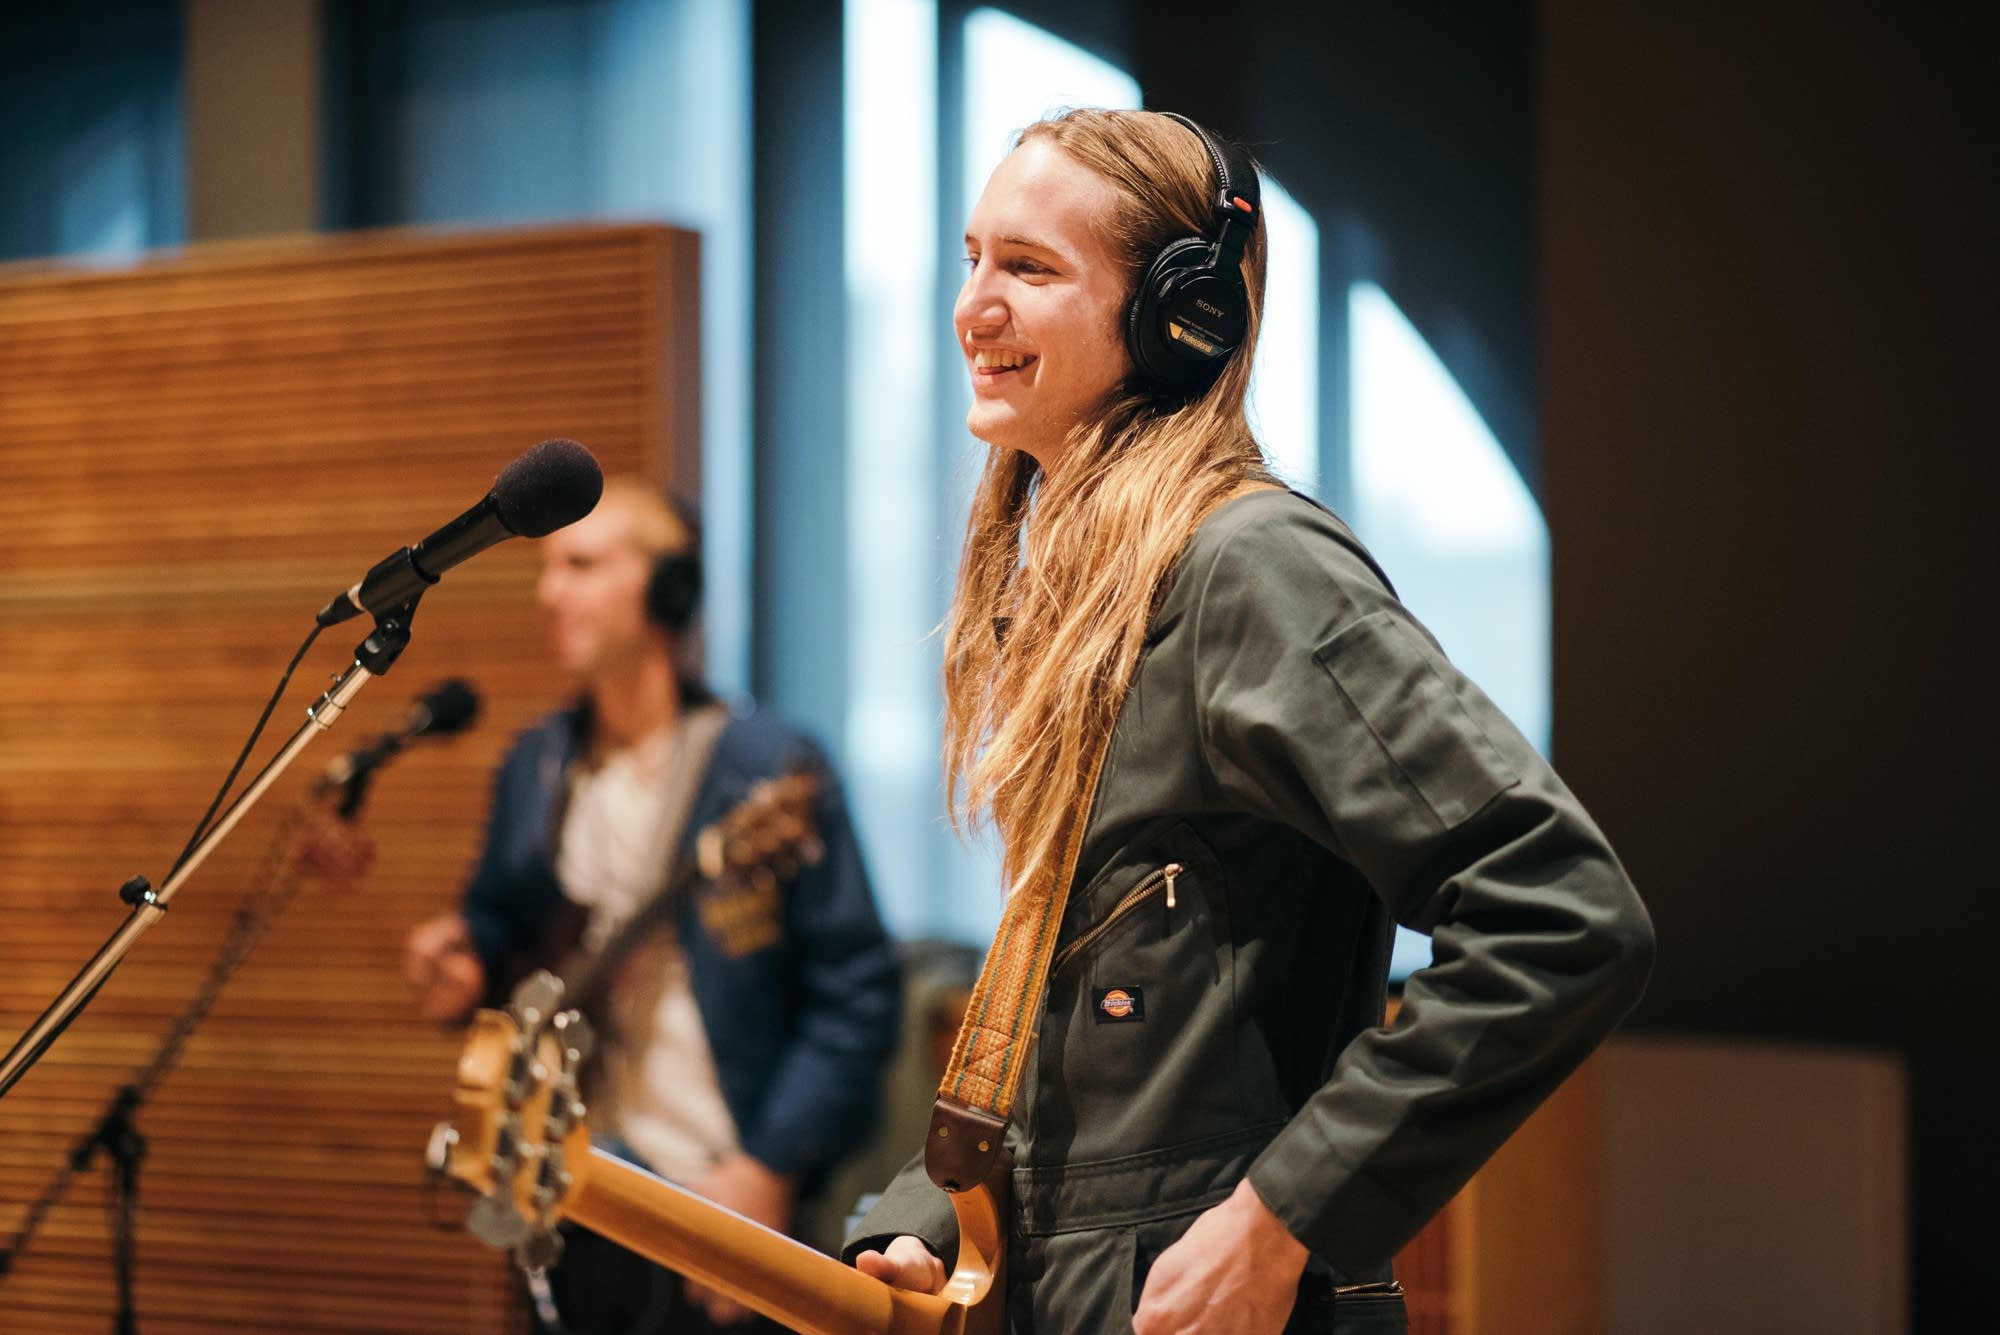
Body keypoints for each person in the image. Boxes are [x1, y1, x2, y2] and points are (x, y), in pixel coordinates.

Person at [841, 109, 1655, 1334]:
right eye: (972, 259)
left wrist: (1283, 1216)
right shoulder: (1076, 590)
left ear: (1181, 317)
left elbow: (1563, 917)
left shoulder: (1249, 570)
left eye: (1030, 268)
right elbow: (1083, 1049)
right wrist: (926, 1214)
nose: (974, 307)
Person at [388, 479, 904, 1332]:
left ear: (669, 589)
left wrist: (770, 1166)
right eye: (548, 567)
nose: (550, 590)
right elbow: (502, 921)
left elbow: (857, 994)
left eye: (582, 564)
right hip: (578, 1180)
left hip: (723, 1186)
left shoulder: (768, 763)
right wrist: (463, 956)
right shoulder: (537, 763)